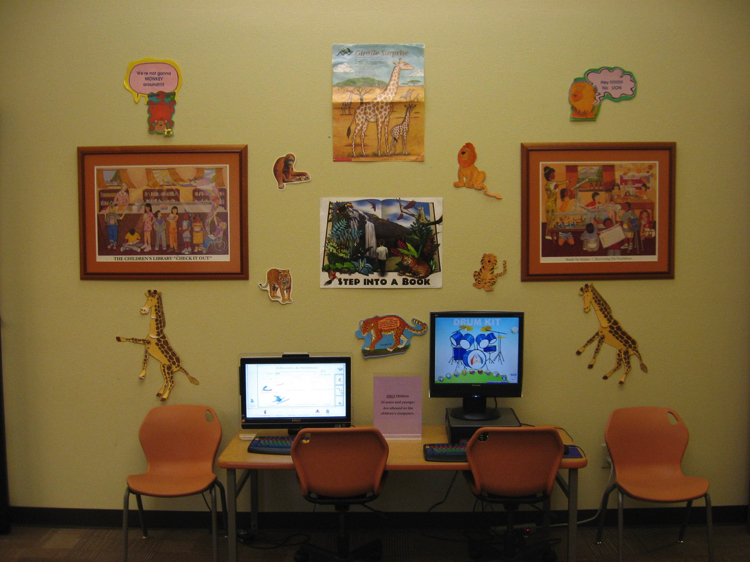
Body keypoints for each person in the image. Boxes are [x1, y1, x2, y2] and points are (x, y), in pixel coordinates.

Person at [543, 166, 571, 241]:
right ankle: (549, 235)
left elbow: (561, 182)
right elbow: (550, 195)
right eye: (552, 174)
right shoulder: (547, 185)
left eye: (554, 174)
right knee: (550, 221)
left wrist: (568, 181)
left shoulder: (554, 183)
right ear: (548, 175)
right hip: (549, 205)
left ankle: (553, 236)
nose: (553, 175)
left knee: (554, 220)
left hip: (554, 205)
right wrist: (555, 188)